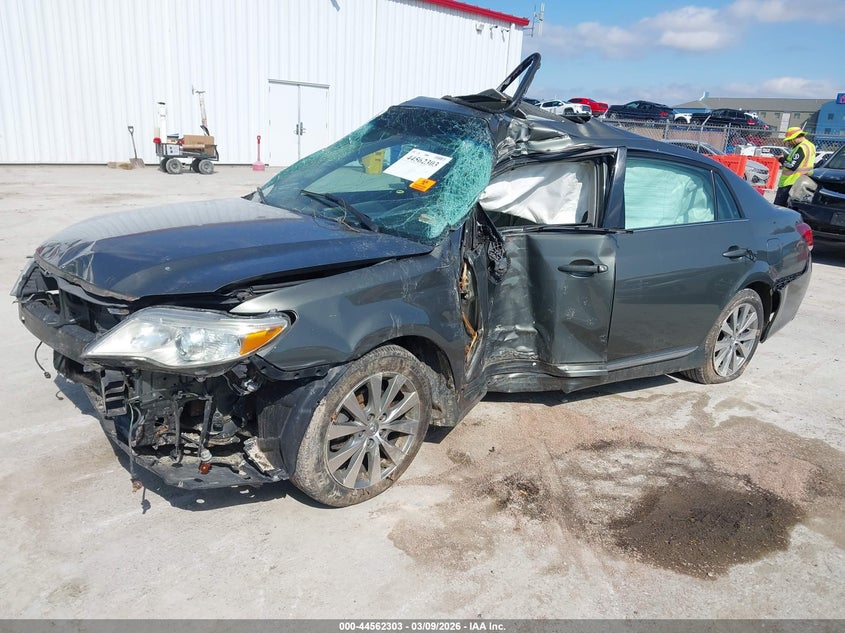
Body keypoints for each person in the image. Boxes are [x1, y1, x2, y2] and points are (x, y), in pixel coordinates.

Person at [774, 127, 816, 206]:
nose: (789, 142)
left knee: (779, 207)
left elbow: (792, 166)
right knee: (793, 207)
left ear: (795, 138)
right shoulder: (810, 145)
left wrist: (781, 159)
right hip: (804, 181)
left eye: (790, 140)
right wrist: (787, 157)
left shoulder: (801, 147)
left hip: (790, 182)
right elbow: (802, 161)